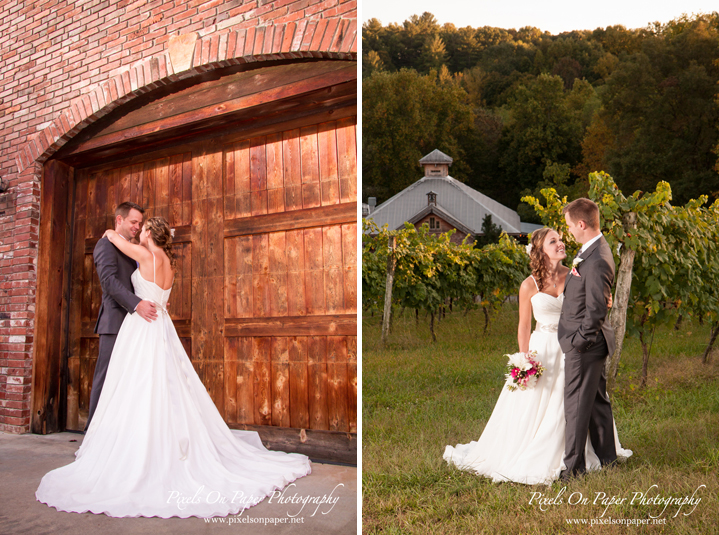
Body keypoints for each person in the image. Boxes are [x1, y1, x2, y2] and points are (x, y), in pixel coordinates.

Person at [36, 216, 311, 517]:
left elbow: (116, 241)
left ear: (150, 233)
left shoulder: (145, 254)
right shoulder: (168, 262)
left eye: (141, 228)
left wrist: (110, 233)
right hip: (162, 325)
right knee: (166, 384)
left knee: (138, 384)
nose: (138, 231)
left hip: (143, 327)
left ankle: (140, 450)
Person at [443, 227, 631, 485]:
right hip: (542, 347)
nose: (561, 244)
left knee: (573, 400)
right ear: (541, 251)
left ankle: (577, 454)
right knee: (540, 402)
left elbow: (594, 301)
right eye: (554, 241)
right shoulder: (528, 285)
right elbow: (523, 325)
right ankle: (536, 450)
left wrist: (605, 301)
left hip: (573, 346)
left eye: (562, 239)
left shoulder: (575, 275)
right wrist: (524, 359)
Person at [559, 198, 618, 480]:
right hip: (591, 342)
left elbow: (595, 310)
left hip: (586, 345)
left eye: (570, 225)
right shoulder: (592, 252)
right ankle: (608, 459)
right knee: (595, 402)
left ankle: (573, 470)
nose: (568, 231)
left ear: (581, 224)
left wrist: (578, 342)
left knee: (576, 405)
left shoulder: (596, 260)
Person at [86, 201, 157, 431]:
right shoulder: (106, 245)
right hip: (115, 322)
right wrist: (137, 304)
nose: (137, 227)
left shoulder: (133, 247)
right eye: (133, 222)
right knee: (106, 378)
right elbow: (108, 282)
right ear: (119, 220)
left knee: (129, 380)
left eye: (139, 223)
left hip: (136, 325)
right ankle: (92, 434)